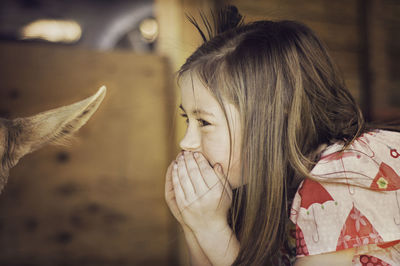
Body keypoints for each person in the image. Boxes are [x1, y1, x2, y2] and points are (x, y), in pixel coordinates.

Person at [164, 5, 400, 266]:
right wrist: (193, 224)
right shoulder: (267, 184)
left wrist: (211, 228)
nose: (186, 142)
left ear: (276, 116)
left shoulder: (342, 178)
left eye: (204, 122)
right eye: (188, 119)